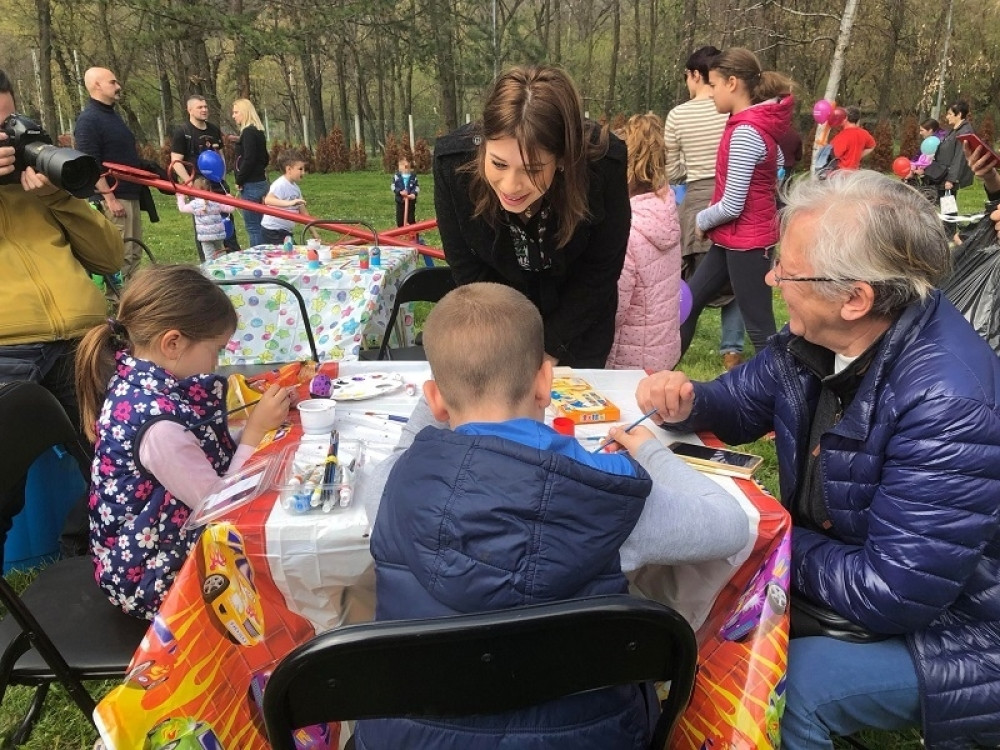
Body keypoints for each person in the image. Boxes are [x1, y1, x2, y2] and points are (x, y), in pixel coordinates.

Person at [636, 171, 1000, 750]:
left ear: (855, 298)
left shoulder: (947, 401)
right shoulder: (814, 338)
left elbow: (894, 591)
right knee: (681, 602)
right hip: (854, 580)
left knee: (787, 692)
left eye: (788, 268)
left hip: (961, 631)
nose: (772, 276)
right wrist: (691, 398)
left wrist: (768, 544)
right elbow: (739, 402)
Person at [354, 282, 749, 749]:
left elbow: (405, 450)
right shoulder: (610, 496)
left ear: (435, 399)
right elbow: (730, 523)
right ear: (545, 382)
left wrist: (446, 390)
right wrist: (648, 451)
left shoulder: (390, 486)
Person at [75, 265, 292, 620]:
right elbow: (220, 507)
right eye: (216, 350)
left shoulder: (142, 379)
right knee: (286, 561)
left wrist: (252, 425)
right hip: (154, 576)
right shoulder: (158, 427)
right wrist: (254, 432)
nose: (218, 363)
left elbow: (200, 445)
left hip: (161, 540)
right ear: (173, 343)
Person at [0, 69, 125, 558]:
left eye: (10, 125)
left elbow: (108, 258)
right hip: (8, 348)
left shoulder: (38, 186)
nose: (7, 142)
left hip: (83, 338)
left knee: (125, 454)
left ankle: (117, 557)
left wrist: (59, 196)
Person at [433, 64, 630, 368]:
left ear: (562, 158)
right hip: (498, 325)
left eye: (533, 170)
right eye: (498, 164)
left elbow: (600, 271)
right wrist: (512, 348)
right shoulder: (453, 164)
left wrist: (551, 347)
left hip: (579, 327)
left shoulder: (603, 165)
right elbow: (466, 266)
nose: (511, 186)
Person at [679, 47, 793, 358]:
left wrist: (701, 222)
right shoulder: (750, 125)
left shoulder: (745, 132)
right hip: (732, 240)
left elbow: (732, 204)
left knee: (760, 327)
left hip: (748, 244)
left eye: (713, 85)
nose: (711, 93)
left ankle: (784, 394)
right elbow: (778, 163)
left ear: (732, 83)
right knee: (687, 302)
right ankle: (661, 376)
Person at [665, 45, 747, 371]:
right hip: (735, 199)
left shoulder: (678, 115)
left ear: (696, 75)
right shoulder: (733, 111)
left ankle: (673, 354)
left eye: (687, 77)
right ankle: (732, 353)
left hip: (698, 202)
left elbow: (673, 172)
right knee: (737, 284)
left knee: (692, 288)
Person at [606, 113, 682, 371]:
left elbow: (613, 310)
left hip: (627, 365)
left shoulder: (627, 231)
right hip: (662, 355)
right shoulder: (664, 213)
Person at [73, 66, 150, 284]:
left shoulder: (113, 116)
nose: (118, 86)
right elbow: (90, 164)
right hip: (114, 197)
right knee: (121, 253)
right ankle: (119, 301)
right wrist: (110, 198)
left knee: (134, 250)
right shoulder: (88, 120)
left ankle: (133, 298)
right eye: (113, 82)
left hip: (130, 193)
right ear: (97, 85)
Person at [170, 94, 240, 256]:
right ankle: (208, 264)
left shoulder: (213, 129)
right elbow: (176, 161)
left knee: (227, 225)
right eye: (200, 107)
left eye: (206, 107)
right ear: (190, 110)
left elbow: (220, 156)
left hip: (217, 185)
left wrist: (221, 176)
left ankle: (233, 260)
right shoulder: (183, 132)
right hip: (199, 188)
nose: (204, 110)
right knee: (205, 230)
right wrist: (189, 182)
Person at [934, 100, 976, 242]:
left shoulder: (965, 131)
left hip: (950, 175)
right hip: (944, 172)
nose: (947, 117)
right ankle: (948, 231)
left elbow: (960, 156)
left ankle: (949, 233)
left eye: (950, 114)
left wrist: (951, 179)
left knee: (948, 203)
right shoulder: (955, 129)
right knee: (946, 202)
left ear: (959, 114)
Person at [231, 98, 269, 248]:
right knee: (263, 223)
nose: (234, 116)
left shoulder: (247, 132)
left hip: (251, 184)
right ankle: (266, 253)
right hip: (261, 182)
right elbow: (265, 157)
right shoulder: (258, 131)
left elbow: (249, 158)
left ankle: (258, 256)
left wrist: (240, 179)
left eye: (236, 112)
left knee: (253, 226)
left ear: (245, 112)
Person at [175, 176, 235, 261]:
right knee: (220, 253)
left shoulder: (194, 205)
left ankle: (210, 272)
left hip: (205, 236)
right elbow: (231, 209)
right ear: (210, 189)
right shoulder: (215, 201)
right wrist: (230, 199)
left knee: (209, 256)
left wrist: (180, 196)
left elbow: (182, 208)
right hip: (218, 233)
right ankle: (222, 269)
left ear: (195, 190)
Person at [260, 149, 308, 245]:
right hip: (273, 231)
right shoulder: (281, 184)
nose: (303, 173)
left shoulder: (295, 188)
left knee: (293, 255)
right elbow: (268, 200)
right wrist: (290, 203)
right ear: (289, 169)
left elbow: (304, 212)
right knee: (290, 256)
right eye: (300, 169)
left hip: (285, 232)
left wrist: (315, 233)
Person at [829, 106, 875, 171]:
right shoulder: (864, 133)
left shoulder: (842, 136)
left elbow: (832, 156)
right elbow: (872, 146)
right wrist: (858, 156)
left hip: (840, 175)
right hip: (854, 175)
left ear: (846, 118)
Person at [391, 156, 419, 227]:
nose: (404, 167)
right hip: (400, 201)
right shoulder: (397, 176)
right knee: (400, 219)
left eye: (406, 165)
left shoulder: (413, 176)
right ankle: (400, 234)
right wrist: (400, 192)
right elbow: (393, 186)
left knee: (411, 220)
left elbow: (416, 187)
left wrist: (413, 194)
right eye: (402, 165)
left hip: (410, 202)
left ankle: (413, 235)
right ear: (399, 167)